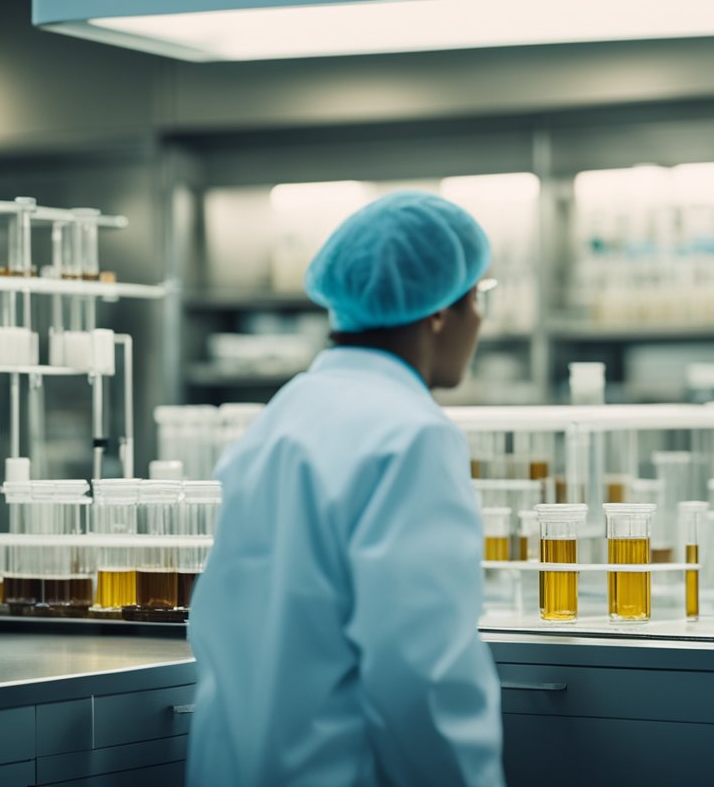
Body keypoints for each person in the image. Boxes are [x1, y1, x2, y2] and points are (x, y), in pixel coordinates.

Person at [186, 190, 504, 787]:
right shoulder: (411, 436)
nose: (482, 320)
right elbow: (423, 676)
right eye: (479, 298)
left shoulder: (282, 418)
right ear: (437, 312)